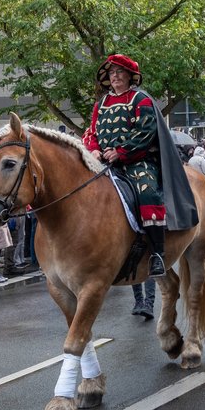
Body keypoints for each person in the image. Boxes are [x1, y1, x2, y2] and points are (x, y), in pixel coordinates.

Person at [82, 54, 197, 278]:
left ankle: (157, 253)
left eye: (119, 72)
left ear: (129, 76)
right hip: (104, 162)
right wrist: (93, 149)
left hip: (138, 161)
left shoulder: (140, 99)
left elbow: (145, 132)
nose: (114, 76)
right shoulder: (101, 104)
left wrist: (120, 152)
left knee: (148, 192)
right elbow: (91, 132)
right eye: (111, 73)